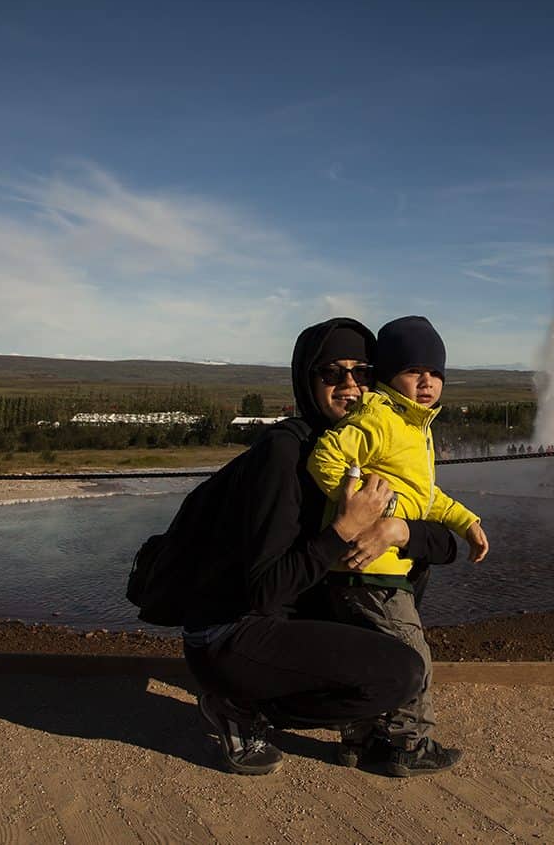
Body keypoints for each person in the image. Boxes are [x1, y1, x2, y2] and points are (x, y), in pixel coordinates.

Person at [179, 317, 458, 776]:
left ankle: (365, 729)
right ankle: (242, 708)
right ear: (307, 380)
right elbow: (264, 591)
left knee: (402, 573)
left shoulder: (364, 445)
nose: (350, 384)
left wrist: (397, 531)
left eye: (362, 372)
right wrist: (344, 529)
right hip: (232, 630)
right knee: (398, 673)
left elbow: (442, 543)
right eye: (332, 373)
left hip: (287, 611)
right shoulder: (285, 454)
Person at [307, 315, 490, 777]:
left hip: (367, 569)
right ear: (389, 377)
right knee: (412, 655)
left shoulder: (414, 427)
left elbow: (425, 498)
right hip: (375, 570)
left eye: (436, 373)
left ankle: (359, 740)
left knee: (364, 656)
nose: (427, 381)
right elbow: (325, 458)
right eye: (414, 371)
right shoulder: (381, 417)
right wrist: (358, 508)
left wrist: (466, 521)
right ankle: (411, 744)